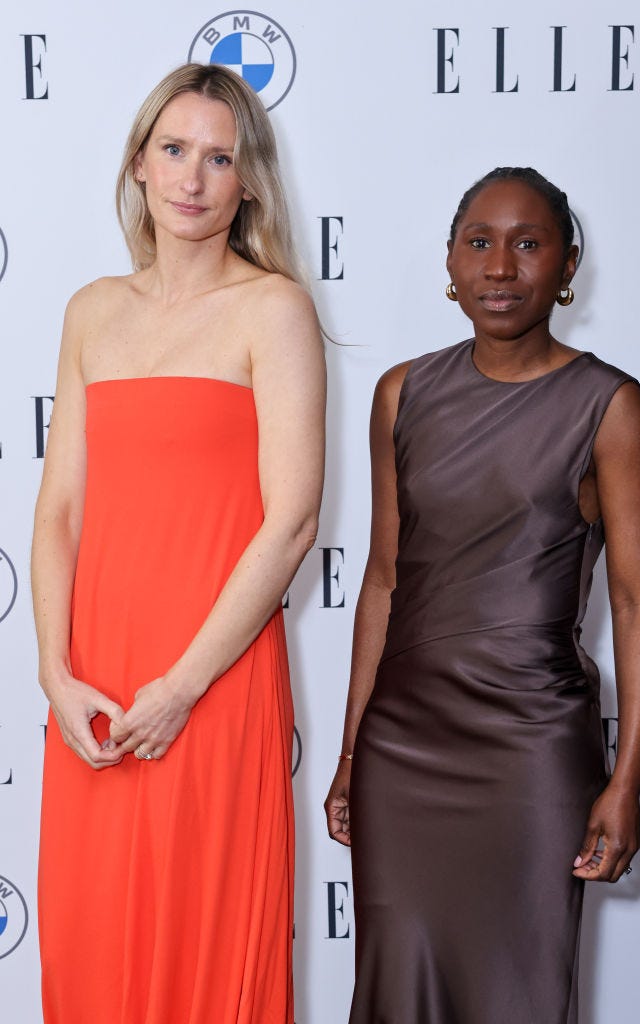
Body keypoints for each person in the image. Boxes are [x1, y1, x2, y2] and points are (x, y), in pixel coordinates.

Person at [325, 167, 640, 1023]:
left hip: (532, 756)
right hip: (402, 754)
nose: (502, 267)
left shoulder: (609, 407)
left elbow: (636, 601)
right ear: (450, 263)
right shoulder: (401, 393)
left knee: (518, 994)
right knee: (398, 988)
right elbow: (383, 581)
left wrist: (628, 783)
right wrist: (350, 750)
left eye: (527, 244)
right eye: (480, 242)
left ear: (567, 263)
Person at [32, 63, 325, 1024]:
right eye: (174, 149)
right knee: (97, 942)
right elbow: (58, 511)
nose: (193, 178)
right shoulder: (90, 312)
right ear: (138, 163)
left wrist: (185, 686)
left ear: (247, 183)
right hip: (98, 686)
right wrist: (53, 674)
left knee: (206, 944)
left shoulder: (273, 309)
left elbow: (291, 522)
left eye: (219, 158)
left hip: (215, 680)